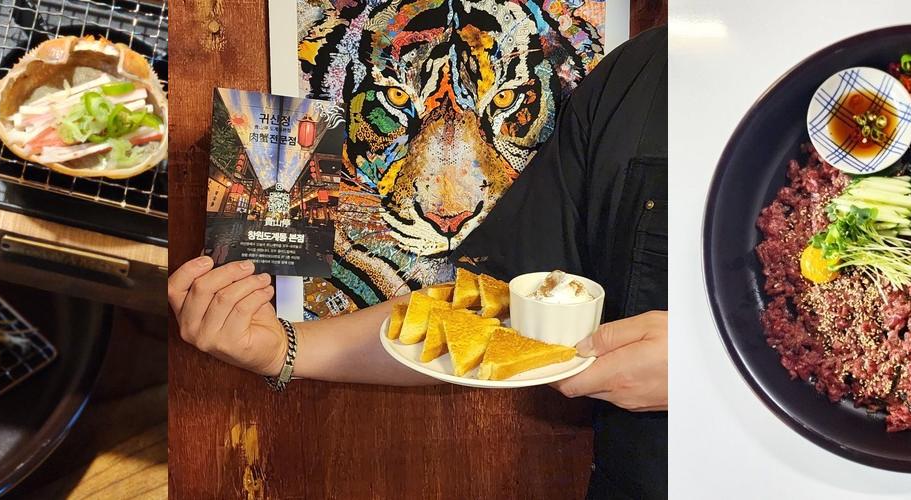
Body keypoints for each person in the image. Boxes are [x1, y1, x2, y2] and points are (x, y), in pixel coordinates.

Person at [169, 21, 669, 500]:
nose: (449, 207)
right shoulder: (634, 75)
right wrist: (284, 347)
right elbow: (491, 309)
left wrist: (703, 370)